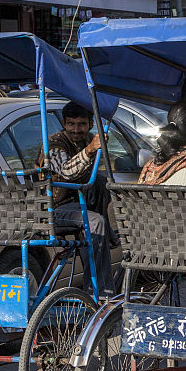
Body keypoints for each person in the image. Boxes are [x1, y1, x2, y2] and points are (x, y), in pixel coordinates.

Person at [38, 101, 114, 298]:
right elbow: (67, 172)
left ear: (90, 124)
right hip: (54, 210)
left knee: (102, 183)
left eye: (81, 124)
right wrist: (89, 150)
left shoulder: (89, 139)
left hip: (79, 206)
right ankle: (101, 294)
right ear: (64, 123)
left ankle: (108, 241)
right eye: (71, 124)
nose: (76, 130)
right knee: (96, 223)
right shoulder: (54, 144)